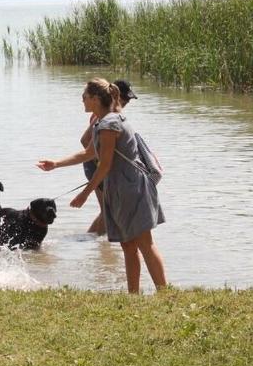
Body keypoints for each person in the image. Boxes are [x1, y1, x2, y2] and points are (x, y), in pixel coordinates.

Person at [37, 78, 167, 293]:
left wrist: (84, 194)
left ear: (96, 99)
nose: (82, 100)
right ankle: (134, 295)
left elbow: (104, 165)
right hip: (122, 188)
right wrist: (56, 164)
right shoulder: (104, 121)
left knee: (144, 242)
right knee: (128, 245)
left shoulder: (109, 124)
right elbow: (89, 152)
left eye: (85, 97)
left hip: (131, 188)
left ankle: (165, 293)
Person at [79, 80, 136, 235]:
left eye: (129, 100)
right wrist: (102, 162)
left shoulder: (111, 117)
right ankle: (93, 243)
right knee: (107, 211)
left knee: (106, 211)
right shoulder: (103, 118)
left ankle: (93, 241)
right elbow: (85, 141)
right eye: (126, 99)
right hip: (94, 166)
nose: (126, 103)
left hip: (99, 165)